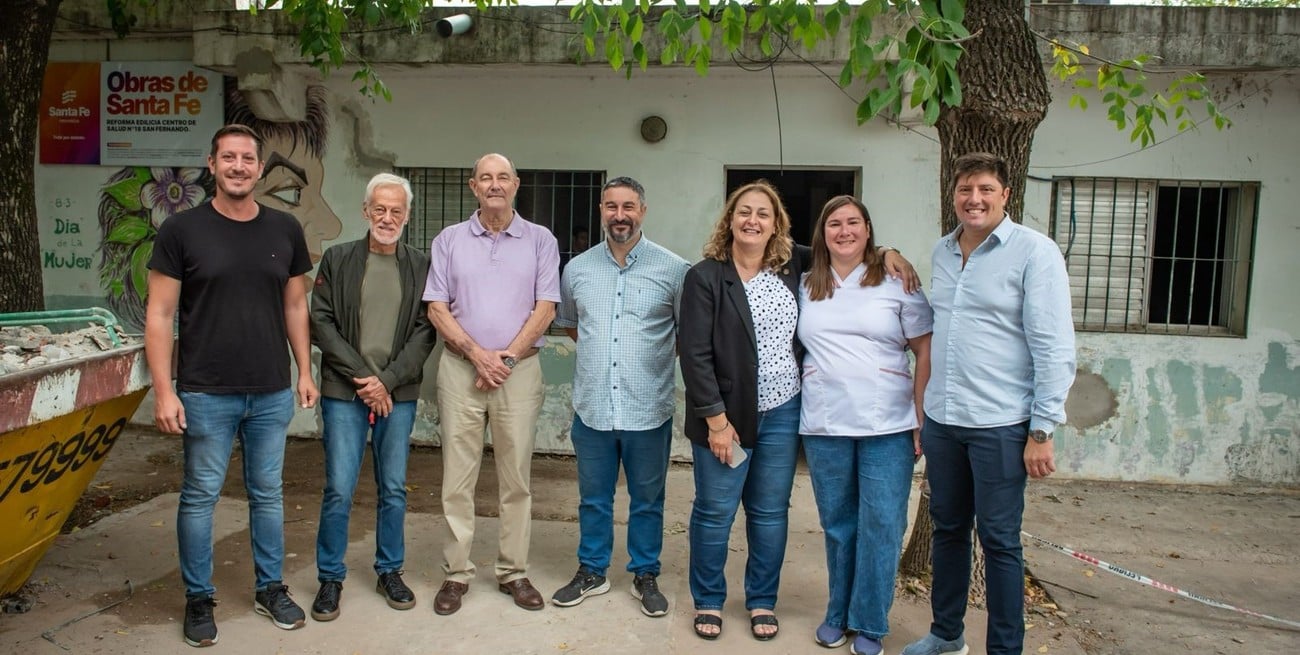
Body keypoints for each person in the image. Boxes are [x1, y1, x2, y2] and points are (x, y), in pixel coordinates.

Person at [678, 181, 918, 642]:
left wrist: (890, 252)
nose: (752, 221)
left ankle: (761, 599)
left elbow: (846, 247)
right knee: (715, 510)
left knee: (770, 512)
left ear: (776, 224)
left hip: (784, 411)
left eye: (763, 214)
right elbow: (694, 354)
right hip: (725, 416)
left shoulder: (793, 265)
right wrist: (717, 422)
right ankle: (708, 598)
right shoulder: (705, 276)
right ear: (730, 219)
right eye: (744, 212)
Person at [145, 124, 318, 648]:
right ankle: (199, 599)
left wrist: (304, 370)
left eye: (247, 158)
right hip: (205, 391)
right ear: (212, 165)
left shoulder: (285, 229)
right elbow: (160, 314)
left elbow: (295, 305)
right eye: (229, 158)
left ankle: (270, 589)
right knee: (201, 496)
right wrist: (164, 390)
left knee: (267, 494)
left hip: (270, 389)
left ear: (260, 168)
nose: (239, 166)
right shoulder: (181, 231)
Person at [902, 152, 1076, 655]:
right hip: (944, 420)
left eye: (984, 189)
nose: (974, 199)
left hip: (1001, 424)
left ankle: (1004, 649)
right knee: (948, 531)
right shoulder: (943, 250)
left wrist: (1042, 429)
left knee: (999, 541)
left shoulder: (1034, 252)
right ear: (953, 194)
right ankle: (946, 635)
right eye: (965, 189)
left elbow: (1054, 346)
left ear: (1005, 194)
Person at [423, 153, 561, 615]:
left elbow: (546, 308)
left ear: (516, 184)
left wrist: (507, 357)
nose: (495, 184)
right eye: (486, 178)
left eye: (503, 177)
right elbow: (437, 307)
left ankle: (513, 571)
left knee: (516, 478)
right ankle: (456, 573)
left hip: (518, 373)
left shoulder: (541, 239)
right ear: (473, 186)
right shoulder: (449, 240)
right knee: (457, 478)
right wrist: (478, 354)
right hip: (460, 370)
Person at [798, 196, 933, 655]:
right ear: (822, 233)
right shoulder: (806, 283)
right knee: (838, 524)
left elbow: (924, 349)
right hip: (825, 424)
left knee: (883, 524)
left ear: (869, 230)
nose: (844, 231)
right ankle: (837, 613)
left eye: (853, 222)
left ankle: (871, 622)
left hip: (888, 425)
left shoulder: (897, 281)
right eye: (834, 223)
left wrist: (922, 416)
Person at [551, 177, 690, 617]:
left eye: (628, 206)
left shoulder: (674, 269)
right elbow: (572, 325)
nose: (620, 215)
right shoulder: (577, 270)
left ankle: (645, 573)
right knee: (593, 498)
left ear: (642, 211)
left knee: (648, 500)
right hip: (593, 408)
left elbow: (684, 334)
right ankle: (592, 570)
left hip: (648, 409)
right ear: (601, 211)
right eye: (611, 206)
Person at [308, 173, 436, 621]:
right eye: (379, 209)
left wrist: (389, 381)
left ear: (407, 215)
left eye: (396, 210)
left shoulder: (421, 264)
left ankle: (389, 571)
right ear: (365, 211)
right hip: (345, 391)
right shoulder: (337, 258)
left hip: (397, 394)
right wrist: (366, 378)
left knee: (394, 488)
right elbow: (321, 322)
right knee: (339, 488)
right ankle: (330, 577)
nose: (387, 217)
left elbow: (426, 330)